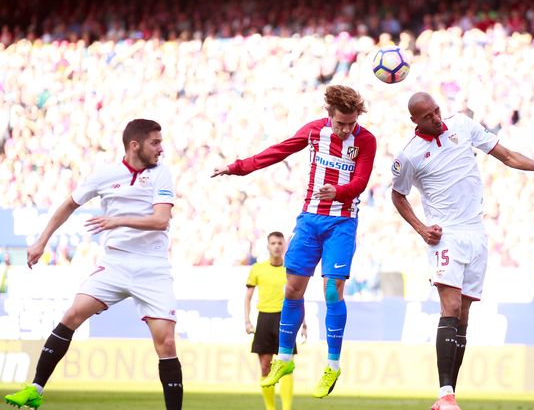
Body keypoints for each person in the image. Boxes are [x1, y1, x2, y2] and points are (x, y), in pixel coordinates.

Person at [391, 92, 534, 410]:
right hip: (445, 236)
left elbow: (507, 156)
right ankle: (444, 393)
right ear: (415, 122)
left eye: (437, 111)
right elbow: (398, 196)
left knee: (463, 314)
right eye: (428, 116)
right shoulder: (408, 156)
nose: (436, 118)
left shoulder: (462, 124)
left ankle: (449, 395)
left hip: (476, 233)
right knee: (449, 308)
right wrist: (422, 229)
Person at [4, 119, 183, 410]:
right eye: (155, 142)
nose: (161, 148)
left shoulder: (161, 174)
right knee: (72, 314)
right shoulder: (105, 175)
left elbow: (161, 220)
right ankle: (35, 389)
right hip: (115, 264)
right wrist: (41, 241)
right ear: (134, 145)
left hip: (153, 268)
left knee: (166, 344)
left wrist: (117, 220)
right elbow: (68, 204)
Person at [212, 85, 376, 398]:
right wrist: (237, 167)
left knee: (331, 289)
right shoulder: (315, 131)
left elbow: (361, 182)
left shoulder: (366, 140)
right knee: (292, 289)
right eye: (340, 123)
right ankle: (284, 359)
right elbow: (278, 151)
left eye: (351, 124)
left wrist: (338, 193)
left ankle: (332, 364)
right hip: (310, 220)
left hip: (342, 223)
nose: (345, 130)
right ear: (330, 115)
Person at [244, 231, 306, 410]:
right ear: (268, 246)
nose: (277, 246)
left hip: (286, 319)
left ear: (284, 246)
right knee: (265, 367)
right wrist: (247, 321)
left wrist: (304, 323)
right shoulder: (257, 269)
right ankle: (270, 408)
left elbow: (299, 297)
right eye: (273, 243)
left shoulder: (291, 269)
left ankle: (287, 408)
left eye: (280, 243)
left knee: (286, 365)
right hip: (264, 318)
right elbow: (247, 297)